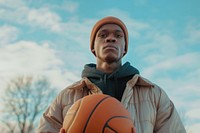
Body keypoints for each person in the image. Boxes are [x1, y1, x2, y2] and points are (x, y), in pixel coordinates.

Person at [37, 16, 186, 133]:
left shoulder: (154, 95)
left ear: (124, 48)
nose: (110, 38)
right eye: (102, 35)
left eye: (118, 35)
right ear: (93, 48)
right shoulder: (66, 97)